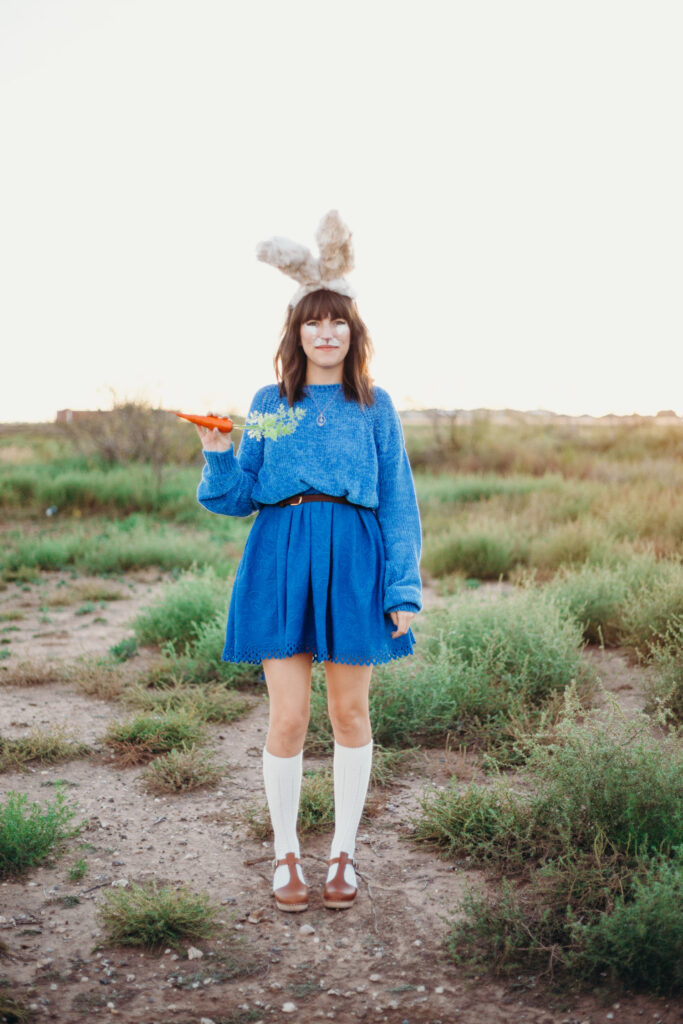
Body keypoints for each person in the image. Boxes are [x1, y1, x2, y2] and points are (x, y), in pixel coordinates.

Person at [195, 211, 422, 913]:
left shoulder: (373, 405)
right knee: (287, 718)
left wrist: (402, 586)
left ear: (354, 334)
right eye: (312, 323)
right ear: (295, 334)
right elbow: (236, 499)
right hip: (278, 554)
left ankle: (344, 857)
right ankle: (287, 854)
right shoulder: (272, 403)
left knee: (348, 713)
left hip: (353, 558)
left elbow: (397, 503)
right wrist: (217, 453)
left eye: (338, 324)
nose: (325, 334)